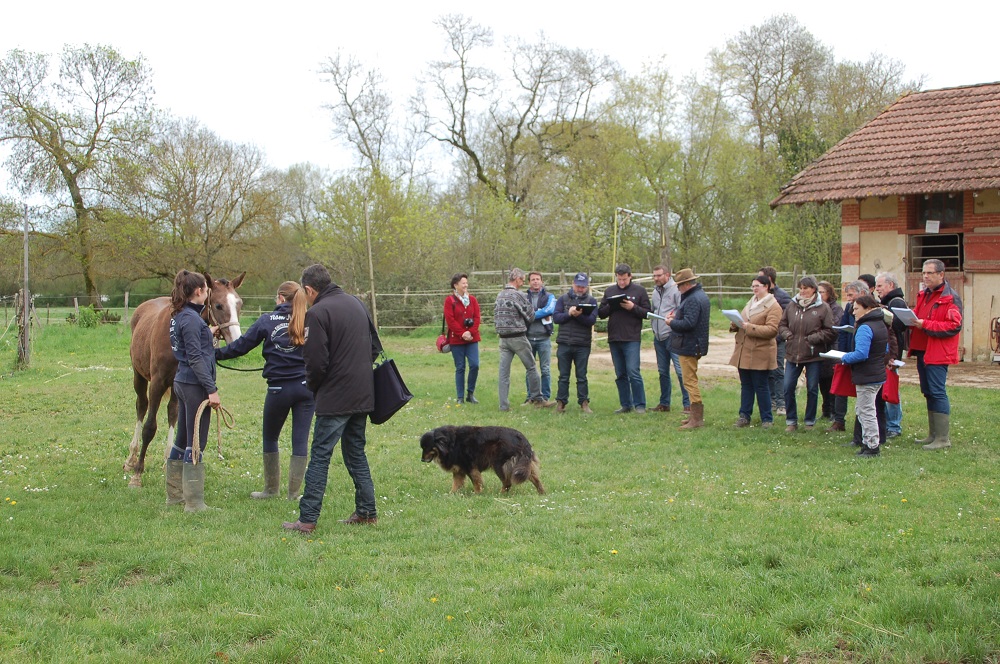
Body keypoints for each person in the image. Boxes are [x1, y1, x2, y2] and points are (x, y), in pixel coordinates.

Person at [283, 264, 379, 534]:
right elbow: (374, 347)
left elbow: (315, 362)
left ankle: (307, 519)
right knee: (356, 453)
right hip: (363, 393)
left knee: (320, 456)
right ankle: (367, 512)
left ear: (310, 290)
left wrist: (316, 387)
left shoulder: (317, 313)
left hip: (335, 397)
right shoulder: (357, 304)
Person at [215, 281, 313, 500]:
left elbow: (240, 346)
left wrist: (215, 354)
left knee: (271, 438)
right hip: (306, 389)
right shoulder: (310, 320)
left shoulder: (266, 320)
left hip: (278, 389)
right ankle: (294, 493)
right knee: (300, 440)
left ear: (280, 297)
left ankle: (271, 490)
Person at [167, 269, 221, 513]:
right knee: (197, 441)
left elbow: (190, 344)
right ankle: (194, 503)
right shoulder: (191, 320)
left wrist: (206, 333)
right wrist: (212, 390)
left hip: (182, 381)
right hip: (194, 385)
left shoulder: (182, 316)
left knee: (182, 438)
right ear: (199, 291)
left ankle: (175, 496)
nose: (207, 293)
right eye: (206, 289)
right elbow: (196, 357)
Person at [909, 259, 963, 450]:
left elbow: (954, 326)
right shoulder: (924, 294)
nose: (925, 276)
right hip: (922, 349)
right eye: (924, 273)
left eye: (930, 273)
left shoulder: (950, 298)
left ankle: (942, 438)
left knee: (937, 392)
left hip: (938, 352)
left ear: (941, 274)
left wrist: (926, 325)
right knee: (928, 391)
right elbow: (918, 315)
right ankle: (932, 434)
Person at [778, 276, 835, 432]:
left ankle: (809, 421)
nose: (802, 291)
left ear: (814, 289)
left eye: (806, 288)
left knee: (812, 389)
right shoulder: (792, 305)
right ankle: (791, 420)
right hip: (792, 354)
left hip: (813, 355)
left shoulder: (823, 308)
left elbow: (830, 331)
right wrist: (788, 335)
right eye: (801, 288)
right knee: (788, 386)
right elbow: (782, 324)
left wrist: (812, 339)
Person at [728, 275, 781, 428]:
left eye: (757, 286)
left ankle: (767, 419)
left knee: (761, 385)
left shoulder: (773, 306)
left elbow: (772, 330)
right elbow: (744, 321)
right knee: (746, 385)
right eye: (753, 286)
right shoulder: (751, 302)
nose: (754, 289)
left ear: (767, 286)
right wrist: (735, 323)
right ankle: (744, 416)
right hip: (744, 350)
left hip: (760, 351)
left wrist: (748, 327)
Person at [494, 268, 550, 411]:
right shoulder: (518, 295)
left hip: (503, 339)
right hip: (517, 337)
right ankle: (538, 398)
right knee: (531, 367)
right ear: (517, 279)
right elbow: (530, 316)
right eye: (523, 280)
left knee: (503, 373)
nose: (523, 283)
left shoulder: (500, 295)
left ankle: (503, 405)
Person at [839, 294, 888, 457]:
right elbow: (885, 350)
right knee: (865, 409)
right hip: (877, 373)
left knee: (866, 411)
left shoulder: (865, 327)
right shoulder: (880, 324)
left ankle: (872, 447)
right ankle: (868, 443)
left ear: (867, 308)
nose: (853, 312)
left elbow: (861, 354)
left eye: (856, 309)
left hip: (867, 375)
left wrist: (843, 358)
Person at [598, 264, 650, 414]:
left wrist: (632, 307)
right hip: (614, 337)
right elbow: (601, 313)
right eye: (619, 279)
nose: (621, 282)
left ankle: (640, 404)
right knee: (620, 373)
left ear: (630, 276)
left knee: (633, 371)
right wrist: (612, 306)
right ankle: (625, 404)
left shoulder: (639, 291)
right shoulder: (610, 291)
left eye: (624, 279)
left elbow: (647, 312)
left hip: (632, 337)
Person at [667, 268, 711, 429]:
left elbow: (689, 323)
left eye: (679, 285)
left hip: (690, 344)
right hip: (694, 343)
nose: (678, 289)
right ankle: (694, 416)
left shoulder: (692, 299)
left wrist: (671, 323)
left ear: (686, 285)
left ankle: (697, 419)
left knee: (690, 381)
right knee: (690, 379)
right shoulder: (700, 296)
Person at [552, 272, 598, 413]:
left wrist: (578, 316)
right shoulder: (563, 299)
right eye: (578, 286)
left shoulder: (592, 301)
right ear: (573, 284)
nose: (580, 289)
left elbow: (591, 321)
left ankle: (584, 402)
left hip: (582, 344)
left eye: (583, 287)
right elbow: (556, 318)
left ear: (587, 287)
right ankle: (561, 403)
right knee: (563, 376)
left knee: (582, 376)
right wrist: (569, 314)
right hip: (564, 343)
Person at [827, 280, 868, 433]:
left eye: (851, 295)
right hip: (848, 354)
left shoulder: (873, 308)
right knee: (840, 388)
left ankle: (864, 426)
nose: (849, 299)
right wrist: (842, 354)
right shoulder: (849, 307)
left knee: (864, 393)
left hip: (863, 355)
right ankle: (839, 421)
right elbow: (843, 330)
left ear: (862, 293)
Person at [650, 265, 690, 414]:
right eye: (654, 276)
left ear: (667, 275)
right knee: (662, 372)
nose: (656, 278)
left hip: (673, 335)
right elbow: (654, 308)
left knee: (680, 371)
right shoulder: (655, 291)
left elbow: (682, 309)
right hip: (658, 337)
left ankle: (688, 404)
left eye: (659, 275)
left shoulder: (676, 290)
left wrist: (674, 319)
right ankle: (664, 403)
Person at [875, 271, 907, 438]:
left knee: (891, 388)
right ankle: (888, 423)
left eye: (880, 286)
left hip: (893, 354)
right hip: (886, 353)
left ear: (891, 285)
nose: (877, 289)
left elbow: (899, 326)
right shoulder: (886, 302)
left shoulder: (896, 302)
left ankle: (894, 425)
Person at [758, 266, 792, 416]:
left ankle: (781, 403)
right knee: (767, 371)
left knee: (778, 371)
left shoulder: (783, 297)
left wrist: (776, 337)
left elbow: (786, 321)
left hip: (777, 341)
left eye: (760, 278)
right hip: (763, 340)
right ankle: (771, 401)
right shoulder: (760, 297)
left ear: (769, 280)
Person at [444, 273, 481, 404]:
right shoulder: (450, 300)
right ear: (456, 285)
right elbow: (450, 320)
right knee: (460, 367)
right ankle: (460, 396)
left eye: (466, 282)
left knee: (475, 365)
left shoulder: (473, 300)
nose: (466, 285)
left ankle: (470, 394)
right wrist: (462, 333)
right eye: (463, 283)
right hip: (457, 340)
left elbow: (477, 318)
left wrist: (470, 332)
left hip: (472, 339)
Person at [523, 271, 556, 404]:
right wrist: (540, 314)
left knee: (545, 369)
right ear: (529, 282)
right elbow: (522, 312)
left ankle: (545, 397)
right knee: (530, 369)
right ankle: (530, 397)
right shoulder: (523, 297)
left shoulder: (549, 296)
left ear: (542, 281)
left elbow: (549, 310)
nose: (535, 281)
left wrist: (531, 315)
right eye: (533, 279)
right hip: (528, 337)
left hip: (544, 338)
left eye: (537, 279)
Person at [817, 281, 844, 422]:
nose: (819, 295)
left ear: (829, 293)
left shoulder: (836, 309)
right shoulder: (816, 307)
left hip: (833, 348)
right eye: (818, 292)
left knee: (832, 381)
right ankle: (825, 409)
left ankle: (834, 411)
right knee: (822, 381)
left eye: (822, 292)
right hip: (821, 348)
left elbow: (834, 327)